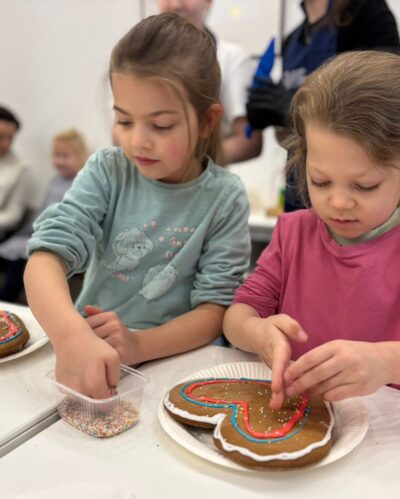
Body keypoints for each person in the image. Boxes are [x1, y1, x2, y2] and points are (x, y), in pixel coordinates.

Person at [24, 13, 250, 399]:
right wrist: (70, 335)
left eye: (161, 126)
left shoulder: (224, 197)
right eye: (124, 121)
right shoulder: (108, 170)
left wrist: (139, 344)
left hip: (177, 369)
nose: (138, 141)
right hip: (90, 352)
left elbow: (215, 312)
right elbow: (46, 258)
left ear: (207, 121)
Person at [224, 50, 400, 411]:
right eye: (320, 181)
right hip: (298, 417)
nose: (339, 202)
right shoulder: (293, 234)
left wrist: (385, 361)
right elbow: (237, 315)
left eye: (365, 186)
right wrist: (258, 333)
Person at [246, 0, 400, 211]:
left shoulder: (365, 11)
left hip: (355, 200)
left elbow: (390, 98)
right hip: (301, 190)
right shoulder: (292, 40)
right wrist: (278, 116)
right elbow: (291, 140)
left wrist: (296, 108)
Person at [157, 0, 262, 164]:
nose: (176, 4)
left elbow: (248, 141)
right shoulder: (138, 56)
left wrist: (189, 167)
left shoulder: (231, 58)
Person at [0, 129, 88, 303]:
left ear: (80, 157)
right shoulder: (55, 180)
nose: (59, 161)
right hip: (38, 231)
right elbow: (42, 212)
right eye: (56, 156)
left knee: (21, 263)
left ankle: (6, 301)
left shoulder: (83, 183)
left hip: (61, 238)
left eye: (65, 156)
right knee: (9, 252)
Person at [0, 106, 31, 240]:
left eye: (11, 138)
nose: (6, 144)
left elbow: (13, 216)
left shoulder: (20, 168)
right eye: (1, 137)